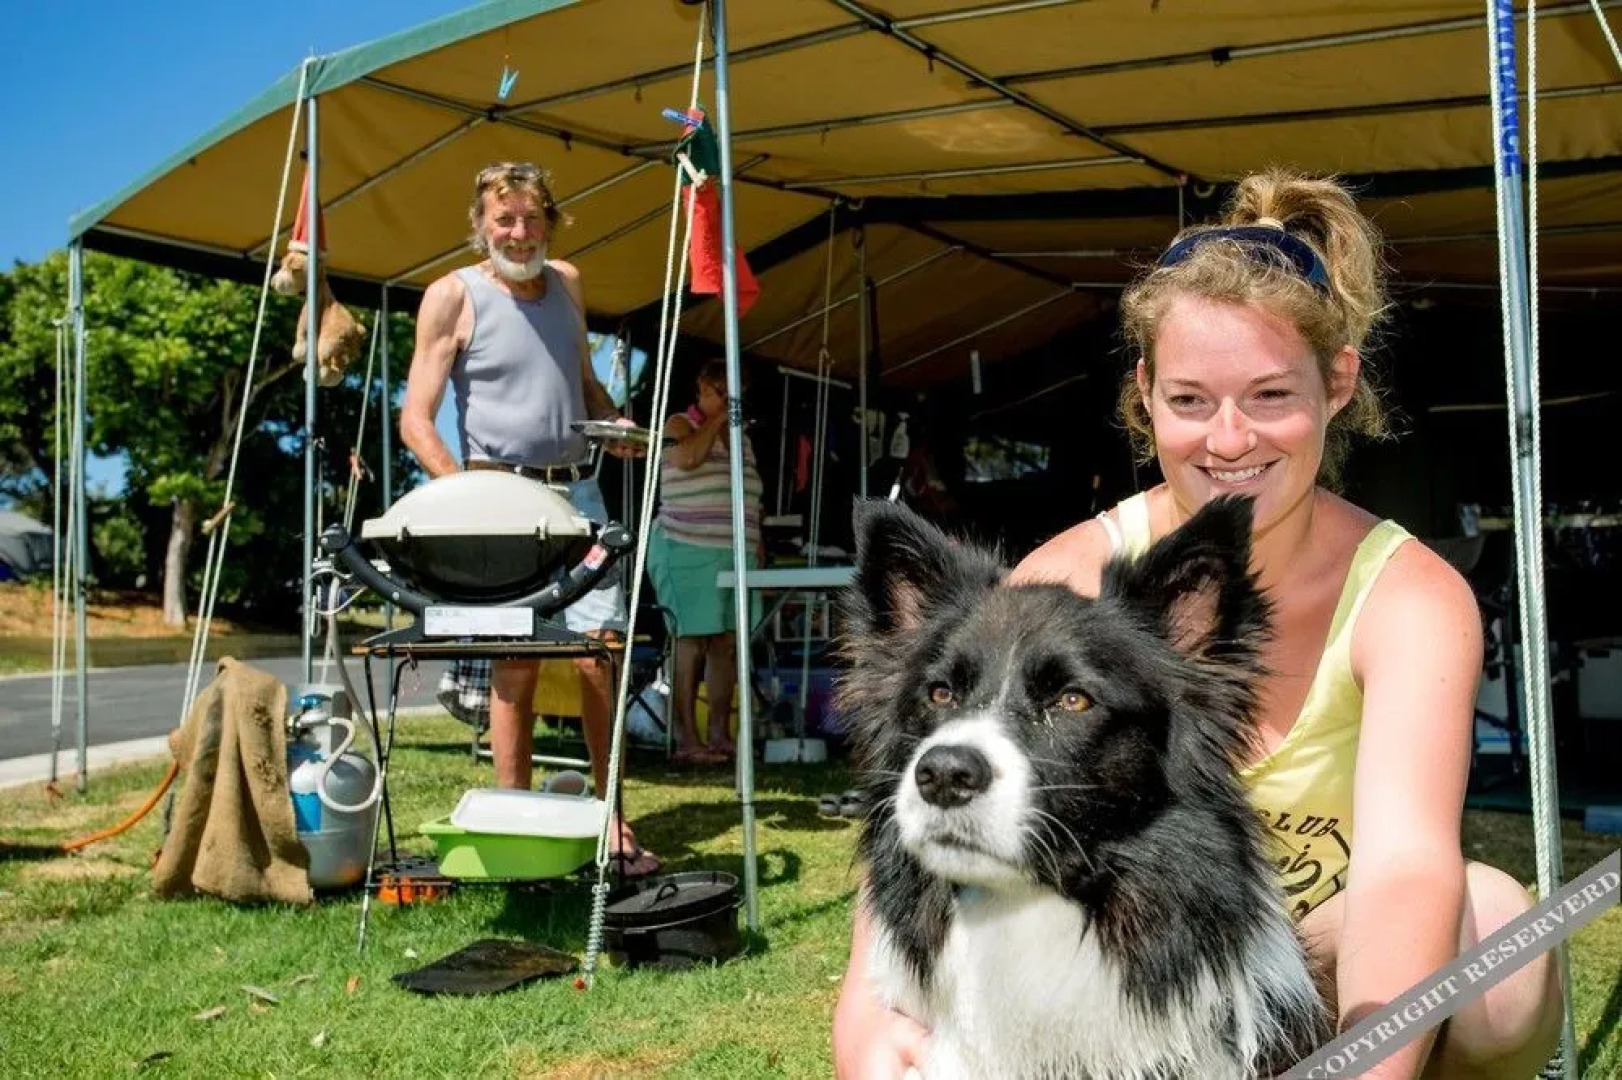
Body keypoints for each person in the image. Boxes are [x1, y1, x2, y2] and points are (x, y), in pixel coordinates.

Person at [832, 170, 1563, 1080]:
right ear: (1144, 394)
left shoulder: (1411, 598)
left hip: (1331, 939)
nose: (1228, 439)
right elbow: (935, 773)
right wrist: (866, 1006)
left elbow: (1406, 869)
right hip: (1146, 945)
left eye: (1269, 395)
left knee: (1499, 937)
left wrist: (1374, 1062)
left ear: (1337, 383)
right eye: (1189, 400)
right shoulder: (1064, 580)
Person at [400, 160, 659, 877]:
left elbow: (584, 384)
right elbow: (415, 421)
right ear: (481, 226)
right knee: (515, 663)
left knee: (601, 656)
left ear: (551, 222)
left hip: (581, 494)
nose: (519, 232)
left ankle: (611, 821)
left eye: (532, 218)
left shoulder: (568, 283)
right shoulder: (452, 295)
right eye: (504, 219)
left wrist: (617, 424)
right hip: (503, 501)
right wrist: (466, 497)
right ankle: (511, 821)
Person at [646, 358, 764, 765]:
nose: (727, 401)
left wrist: (757, 541)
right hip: (686, 549)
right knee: (691, 640)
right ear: (702, 390)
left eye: (733, 394)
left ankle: (718, 734)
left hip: (734, 553)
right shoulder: (679, 424)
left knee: (726, 644)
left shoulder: (740, 438)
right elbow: (687, 458)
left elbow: (749, 493)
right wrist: (716, 420)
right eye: (718, 393)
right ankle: (686, 738)